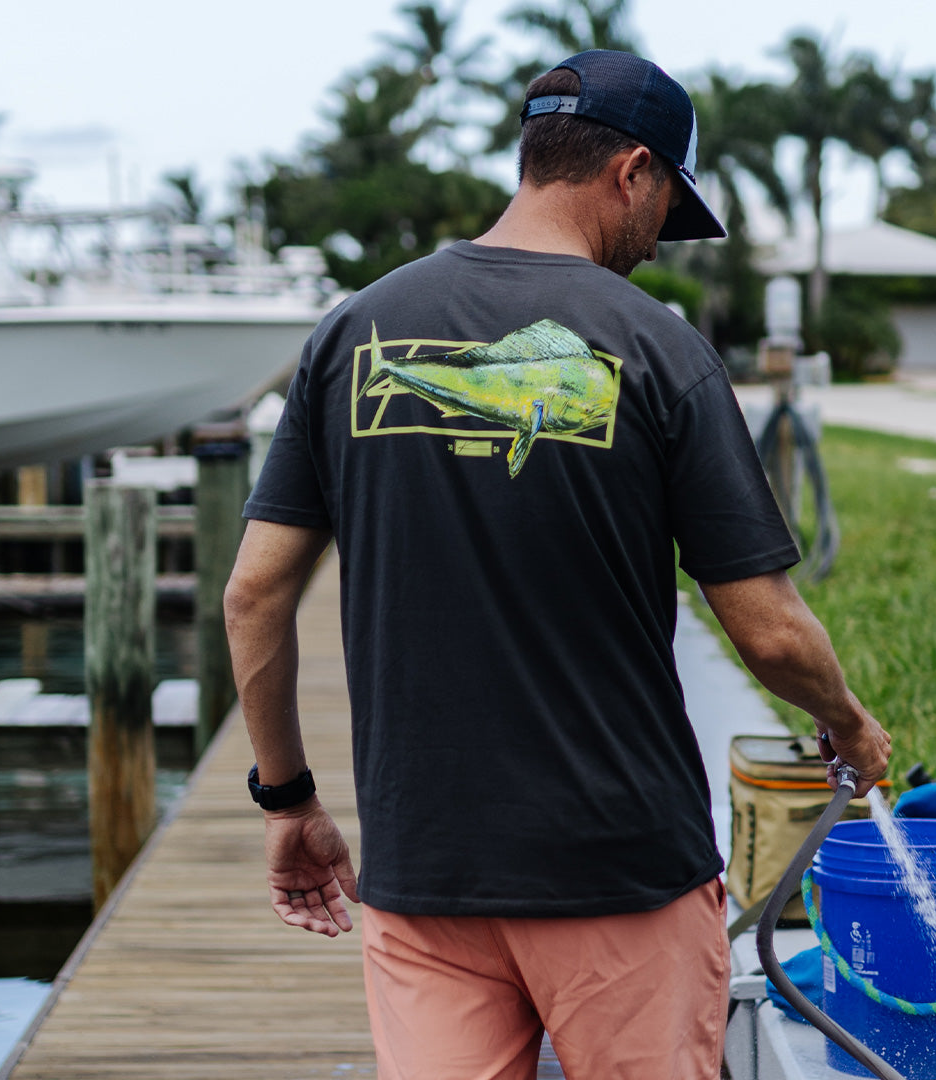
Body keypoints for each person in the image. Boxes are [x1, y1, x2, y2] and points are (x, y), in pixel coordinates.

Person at [224, 48, 891, 1080]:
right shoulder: (659, 348)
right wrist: (846, 720)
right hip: (618, 872)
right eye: (664, 207)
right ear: (632, 171)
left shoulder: (349, 333)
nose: (654, 246)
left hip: (423, 873)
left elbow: (254, 593)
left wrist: (290, 801)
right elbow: (764, 628)